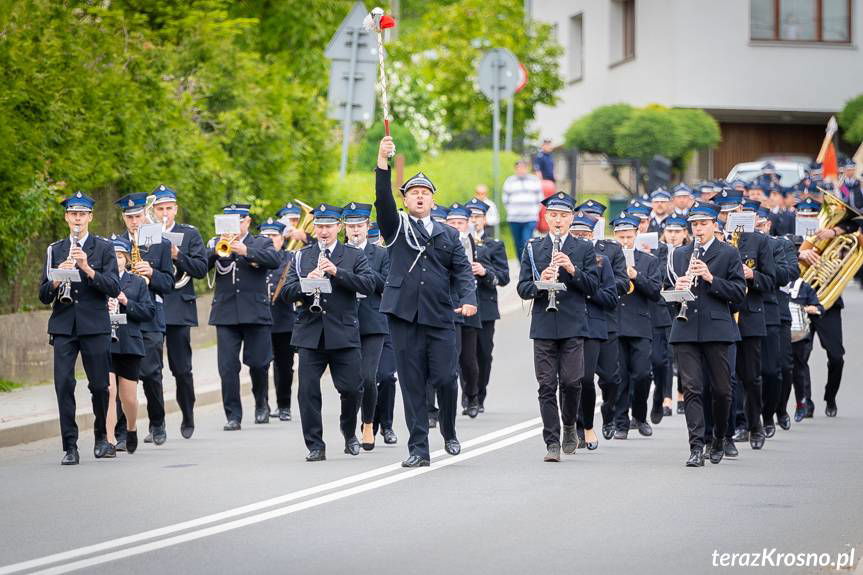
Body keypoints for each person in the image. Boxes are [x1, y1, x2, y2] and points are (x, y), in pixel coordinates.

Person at [375, 136, 477, 468]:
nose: (420, 196)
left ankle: (448, 428)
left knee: (447, 378)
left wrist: (469, 298)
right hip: (404, 316)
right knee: (412, 383)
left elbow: (462, 270)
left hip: (439, 316)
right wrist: (382, 161)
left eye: (426, 193)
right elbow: (382, 200)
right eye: (413, 193)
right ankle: (418, 447)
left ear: (433, 200)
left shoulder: (448, 234)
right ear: (405, 199)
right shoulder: (395, 227)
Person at [282, 204, 375, 461]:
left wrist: (337, 272)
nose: (323, 231)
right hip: (310, 333)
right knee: (307, 391)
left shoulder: (354, 255)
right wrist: (305, 283)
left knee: (352, 389)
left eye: (328, 226)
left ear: (339, 228)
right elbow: (286, 293)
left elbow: (368, 284)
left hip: (343, 332)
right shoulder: (302, 256)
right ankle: (315, 445)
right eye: (320, 226)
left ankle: (348, 432)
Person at [39, 192, 120, 465]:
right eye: (73, 214)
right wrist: (55, 279)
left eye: (82, 214)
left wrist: (86, 267)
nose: (77, 218)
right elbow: (42, 295)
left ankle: (100, 438)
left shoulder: (104, 248)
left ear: (90, 218)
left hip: (94, 325)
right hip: (63, 326)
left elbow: (114, 287)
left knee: (99, 386)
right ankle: (70, 446)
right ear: (66, 217)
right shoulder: (55, 249)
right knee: (63, 385)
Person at [516, 192, 598, 462]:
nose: (558, 220)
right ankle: (551, 441)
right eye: (554, 215)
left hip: (573, 323)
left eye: (564, 215)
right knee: (546, 385)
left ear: (571, 218)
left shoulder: (584, 248)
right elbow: (522, 288)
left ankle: (569, 426)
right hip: (543, 325)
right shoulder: (533, 247)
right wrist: (542, 282)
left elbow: (593, 287)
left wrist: (573, 270)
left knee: (572, 382)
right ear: (547, 217)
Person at [670, 202, 746, 467]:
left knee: (723, 390)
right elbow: (669, 297)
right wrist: (678, 288)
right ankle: (696, 446)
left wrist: (712, 279)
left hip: (718, 328)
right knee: (692, 388)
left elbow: (739, 294)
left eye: (703, 224)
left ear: (715, 224)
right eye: (694, 224)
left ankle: (719, 438)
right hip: (686, 327)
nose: (698, 229)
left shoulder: (729, 253)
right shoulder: (680, 254)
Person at [207, 203, 281, 429]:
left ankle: (261, 403)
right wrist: (215, 249)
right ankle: (233, 415)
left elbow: (274, 261)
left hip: (255, 312)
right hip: (226, 313)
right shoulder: (216, 243)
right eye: (229, 221)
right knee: (227, 367)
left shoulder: (261, 242)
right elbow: (200, 268)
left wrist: (245, 251)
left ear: (247, 222)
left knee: (259, 364)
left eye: (239, 221)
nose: (235, 226)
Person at [716, 189, 776, 452]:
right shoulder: (714, 239)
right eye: (724, 211)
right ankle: (730, 429)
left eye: (733, 210)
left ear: (741, 210)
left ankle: (755, 424)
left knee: (751, 377)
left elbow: (771, 281)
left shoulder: (758, 241)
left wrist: (752, 275)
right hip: (723, 315)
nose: (728, 215)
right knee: (726, 379)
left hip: (750, 315)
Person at [114, 192, 174, 446]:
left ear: (144, 215)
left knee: (151, 373)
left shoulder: (159, 243)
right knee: (120, 376)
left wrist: (152, 274)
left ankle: (157, 423)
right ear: (124, 219)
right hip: (123, 316)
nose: (134, 221)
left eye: (138, 216)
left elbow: (169, 283)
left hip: (150, 316)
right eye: (129, 217)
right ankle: (120, 430)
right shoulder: (114, 244)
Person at [149, 185, 208, 440]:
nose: (165, 213)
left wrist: (177, 254)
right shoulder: (146, 234)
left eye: (169, 208)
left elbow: (201, 269)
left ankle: (188, 413)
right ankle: (156, 423)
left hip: (178, 306)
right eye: (160, 209)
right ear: (153, 210)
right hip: (152, 306)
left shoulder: (189, 234)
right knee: (152, 370)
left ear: (176, 209)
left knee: (181, 368)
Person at [576, 200, 628, 440]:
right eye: (585, 216)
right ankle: (580, 422)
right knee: (580, 377)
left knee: (609, 377)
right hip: (578, 320)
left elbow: (622, 282)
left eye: (594, 217)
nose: (590, 220)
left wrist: (593, 286)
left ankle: (608, 412)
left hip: (605, 319)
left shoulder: (611, 250)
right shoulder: (569, 250)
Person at [568, 216, 618, 451]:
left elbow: (610, 297)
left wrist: (587, 290)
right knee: (572, 380)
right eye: (575, 233)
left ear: (592, 236)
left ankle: (589, 423)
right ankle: (574, 427)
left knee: (591, 378)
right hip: (569, 324)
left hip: (594, 325)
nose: (580, 238)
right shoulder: (561, 258)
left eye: (584, 234)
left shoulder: (601, 261)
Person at [343, 202, 390, 450]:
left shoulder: (380, 254)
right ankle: (349, 429)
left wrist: (361, 274)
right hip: (344, 322)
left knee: (369, 377)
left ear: (367, 226)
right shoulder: (337, 253)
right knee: (350, 381)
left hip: (372, 321)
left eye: (359, 226)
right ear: (345, 229)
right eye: (351, 226)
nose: (355, 230)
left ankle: (369, 423)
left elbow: (386, 284)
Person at [610, 215, 662, 439]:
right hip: (616, 323)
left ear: (636, 235)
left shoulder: (648, 260)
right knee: (619, 375)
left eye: (629, 236)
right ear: (614, 236)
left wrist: (635, 275)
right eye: (621, 237)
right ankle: (620, 422)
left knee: (642, 374)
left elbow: (654, 290)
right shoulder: (607, 258)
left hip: (640, 324)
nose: (625, 241)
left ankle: (640, 416)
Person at [105, 235, 155, 455]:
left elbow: (148, 312)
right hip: (104, 341)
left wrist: (126, 302)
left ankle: (131, 427)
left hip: (128, 342)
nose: (116, 260)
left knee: (129, 398)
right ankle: (108, 441)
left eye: (120, 256)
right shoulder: (100, 280)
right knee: (108, 391)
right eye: (112, 255)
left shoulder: (136, 282)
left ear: (126, 258)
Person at [466, 197, 510, 412]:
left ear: (484, 220)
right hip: (463, 305)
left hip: (485, 306)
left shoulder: (494, 245)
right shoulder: (457, 243)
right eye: (470, 217)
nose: (474, 221)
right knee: (464, 355)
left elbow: (504, 277)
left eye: (478, 217)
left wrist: (485, 272)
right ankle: (468, 395)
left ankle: (480, 394)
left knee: (483, 353)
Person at [261, 218, 295, 422]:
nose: (270, 239)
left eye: (274, 236)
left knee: (284, 366)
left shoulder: (291, 257)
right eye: (265, 236)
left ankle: (284, 405)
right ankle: (262, 405)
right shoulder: (257, 258)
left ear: (282, 239)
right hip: (261, 319)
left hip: (284, 319)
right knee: (261, 364)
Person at [368, 223, 398, 445]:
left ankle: (386, 425)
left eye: (373, 237)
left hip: (385, 322)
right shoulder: (344, 254)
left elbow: (388, 284)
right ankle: (369, 423)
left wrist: (363, 271)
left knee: (387, 376)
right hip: (358, 324)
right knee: (366, 378)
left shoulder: (387, 255)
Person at [502, 159, 544, 260]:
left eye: (523, 167)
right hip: (514, 218)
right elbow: (505, 199)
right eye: (518, 168)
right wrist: (511, 211)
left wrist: (534, 212)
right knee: (518, 243)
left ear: (527, 168)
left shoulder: (534, 180)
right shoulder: (509, 181)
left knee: (527, 241)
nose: (520, 170)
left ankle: (527, 265)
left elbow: (540, 199)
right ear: (515, 169)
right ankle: (521, 265)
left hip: (530, 218)